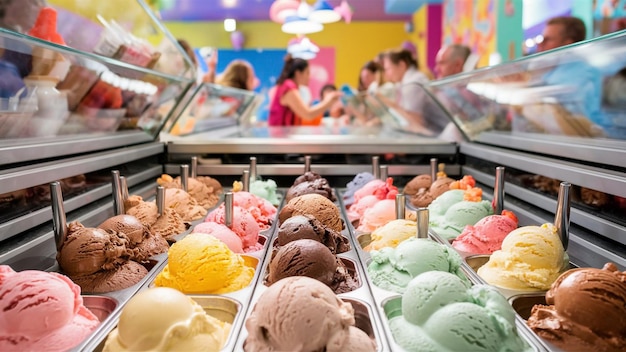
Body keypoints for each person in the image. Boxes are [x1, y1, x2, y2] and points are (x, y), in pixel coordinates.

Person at [377, 48, 447, 134]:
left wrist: (386, 102)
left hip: (438, 134)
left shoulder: (413, 83)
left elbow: (415, 123)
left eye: (388, 69)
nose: (387, 74)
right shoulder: (402, 83)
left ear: (402, 65)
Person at [268, 55, 341, 126]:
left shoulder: (288, 86)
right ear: (298, 73)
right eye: (307, 73)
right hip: (280, 136)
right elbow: (308, 114)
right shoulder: (288, 87)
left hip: (282, 135)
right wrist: (327, 102)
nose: (309, 77)